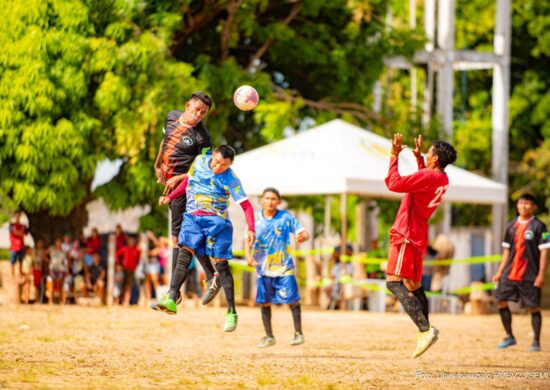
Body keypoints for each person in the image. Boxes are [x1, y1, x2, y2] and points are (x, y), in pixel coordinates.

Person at [155, 145, 256, 332]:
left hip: (217, 222)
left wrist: (251, 228)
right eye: (217, 162)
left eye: (225, 165)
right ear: (213, 156)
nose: (218, 167)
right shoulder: (200, 161)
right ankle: (171, 297)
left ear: (230, 165)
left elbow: (247, 206)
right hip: (193, 218)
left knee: (222, 265)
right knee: (184, 255)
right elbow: (188, 183)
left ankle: (231, 312)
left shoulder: (231, 178)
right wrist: (171, 197)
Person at [384, 133, 457, 358]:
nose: (426, 154)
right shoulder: (442, 178)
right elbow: (424, 182)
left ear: (435, 160)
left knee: (393, 282)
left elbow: (393, 184)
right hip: (418, 234)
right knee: (414, 285)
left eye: (429, 153)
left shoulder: (430, 175)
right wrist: (418, 160)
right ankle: (423, 333)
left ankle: (425, 329)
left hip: (406, 232)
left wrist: (394, 154)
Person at [153, 91, 220, 306]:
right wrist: (158, 165)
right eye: (196, 109)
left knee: (179, 238)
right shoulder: (171, 117)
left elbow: (205, 169)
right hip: (171, 183)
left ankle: (176, 292)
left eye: (204, 112)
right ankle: (208, 277)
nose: (199, 114)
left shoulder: (203, 138)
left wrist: (178, 178)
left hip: (187, 186)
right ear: (187, 105)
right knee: (183, 236)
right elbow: (165, 143)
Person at [245, 188, 309, 347]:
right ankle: (269, 336)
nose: (270, 201)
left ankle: (298, 333)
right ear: (261, 200)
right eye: (267, 198)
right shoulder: (254, 218)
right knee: (264, 302)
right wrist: (248, 256)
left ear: (279, 202)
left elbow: (303, 232)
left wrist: (303, 236)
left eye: (274, 199)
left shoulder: (286, 217)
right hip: (263, 267)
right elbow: (247, 238)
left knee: (293, 299)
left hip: (284, 267)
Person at [492, 194, 549, 352]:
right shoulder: (510, 226)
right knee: (500, 301)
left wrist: (541, 275)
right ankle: (509, 336)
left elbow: (544, 252)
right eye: (520, 203)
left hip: (529, 275)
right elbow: (506, 251)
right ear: (517, 206)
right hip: (509, 274)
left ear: (534, 207)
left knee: (533, 308)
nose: (523, 206)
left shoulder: (540, 227)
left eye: (527, 203)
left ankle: (536, 342)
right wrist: (500, 271)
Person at [116, 236, 141, 306]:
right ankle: (120, 301)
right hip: (124, 269)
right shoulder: (125, 248)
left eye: (133, 241)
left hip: (132, 271)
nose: (131, 242)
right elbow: (117, 255)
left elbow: (138, 260)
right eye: (130, 241)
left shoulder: (136, 250)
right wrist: (118, 264)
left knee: (129, 286)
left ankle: (126, 301)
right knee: (122, 285)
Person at [9, 211, 28, 278]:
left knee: (20, 261)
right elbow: (14, 232)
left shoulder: (23, 225)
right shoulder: (12, 225)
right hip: (14, 247)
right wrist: (20, 233)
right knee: (12, 262)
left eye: (19, 215)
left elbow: (25, 233)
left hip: (21, 246)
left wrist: (19, 233)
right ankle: (12, 275)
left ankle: (20, 272)